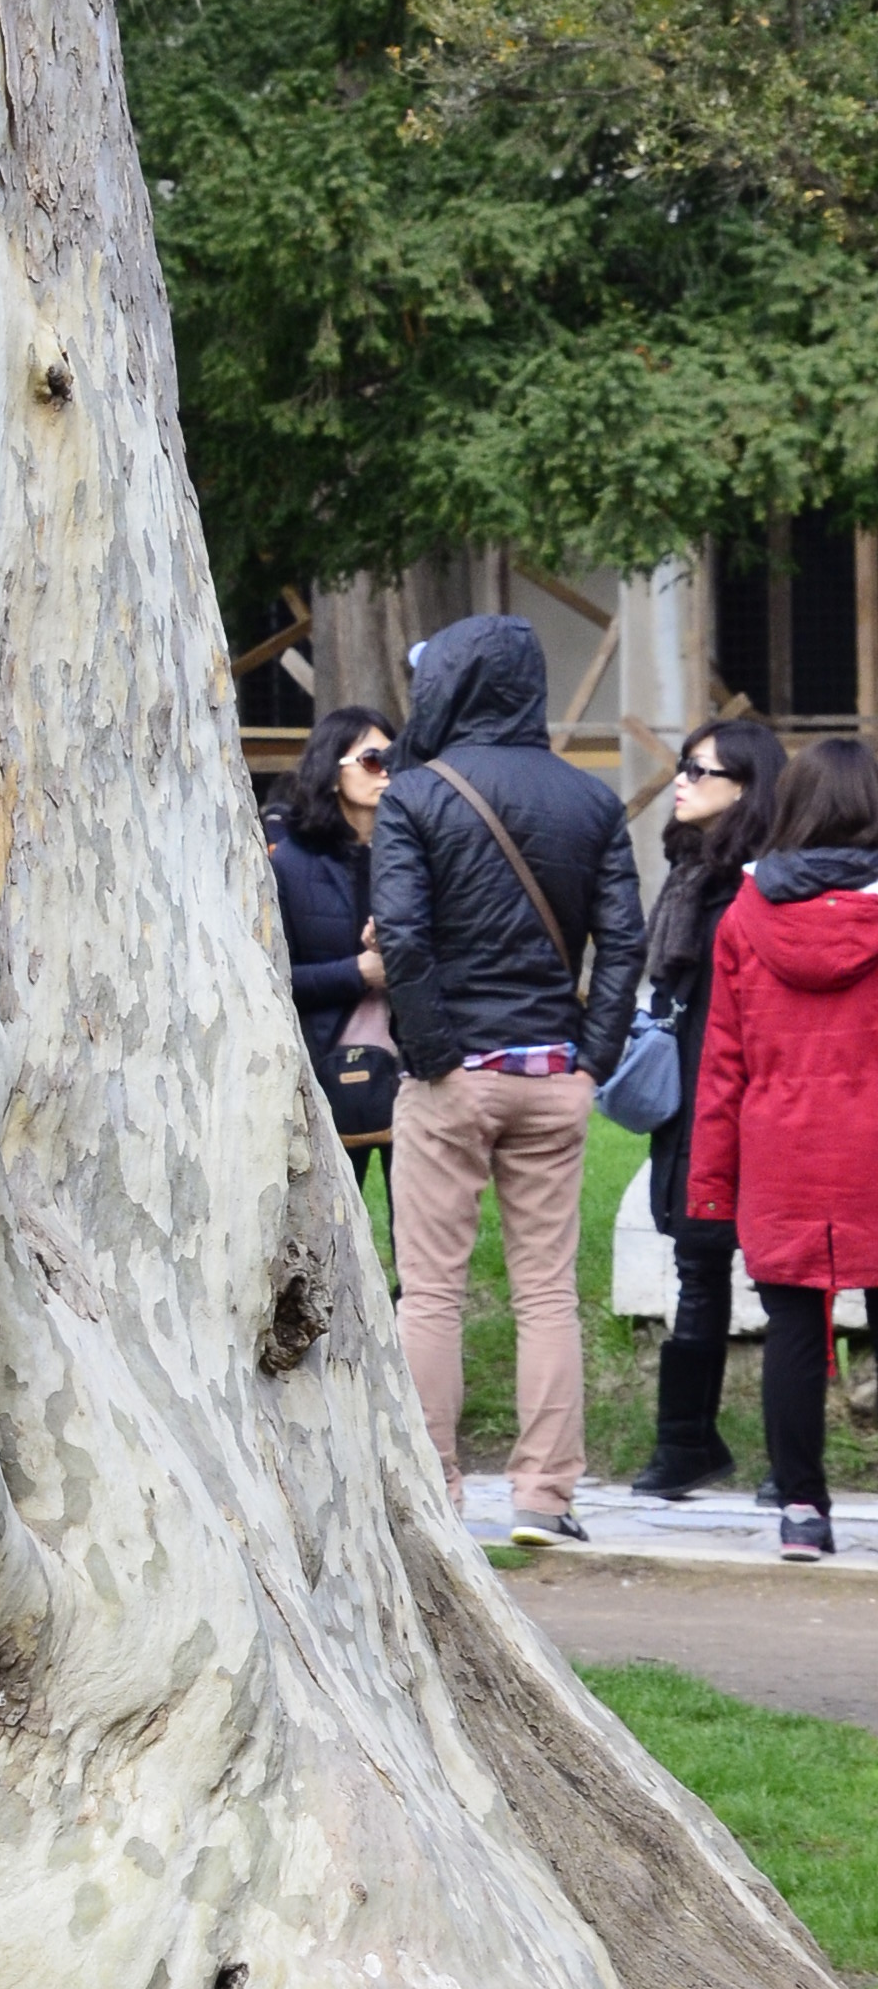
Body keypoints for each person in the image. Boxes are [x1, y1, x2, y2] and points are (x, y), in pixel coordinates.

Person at [371, 615, 645, 1546]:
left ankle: (433, 1490)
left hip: (453, 1076)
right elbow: (625, 946)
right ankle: (545, 1497)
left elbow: (404, 938)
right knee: (547, 1291)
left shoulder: (416, 793)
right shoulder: (592, 801)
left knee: (431, 1291)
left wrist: (437, 1059)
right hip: (552, 1073)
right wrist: (591, 1060)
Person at [683, 731, 878, 1563]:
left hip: (782, 1154)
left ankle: (801, 1509)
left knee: (793, 1330)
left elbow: (722, 1066)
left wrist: (709, 1187)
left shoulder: (744, 918)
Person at [628, 715, 785, 1500]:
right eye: (682, 767)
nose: (681, 782)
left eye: (700, 770)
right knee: (697, 1259)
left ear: (748, 788)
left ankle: (794, 1464)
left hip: (757, 1102)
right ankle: (685, 1443)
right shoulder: (691, 875)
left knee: (783, 1275)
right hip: (692, 1100)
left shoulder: (768, 887)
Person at [265, 709, 399, 1217]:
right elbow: (274, 981)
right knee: (334, 1222)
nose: (386, 771)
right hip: (326, 1067)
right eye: (372, 759)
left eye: (394, 759)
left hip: (413, 1065)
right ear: (332, 769)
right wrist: (358, 972)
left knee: (425, 1234)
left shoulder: (414, 854)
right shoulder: (290, 863)